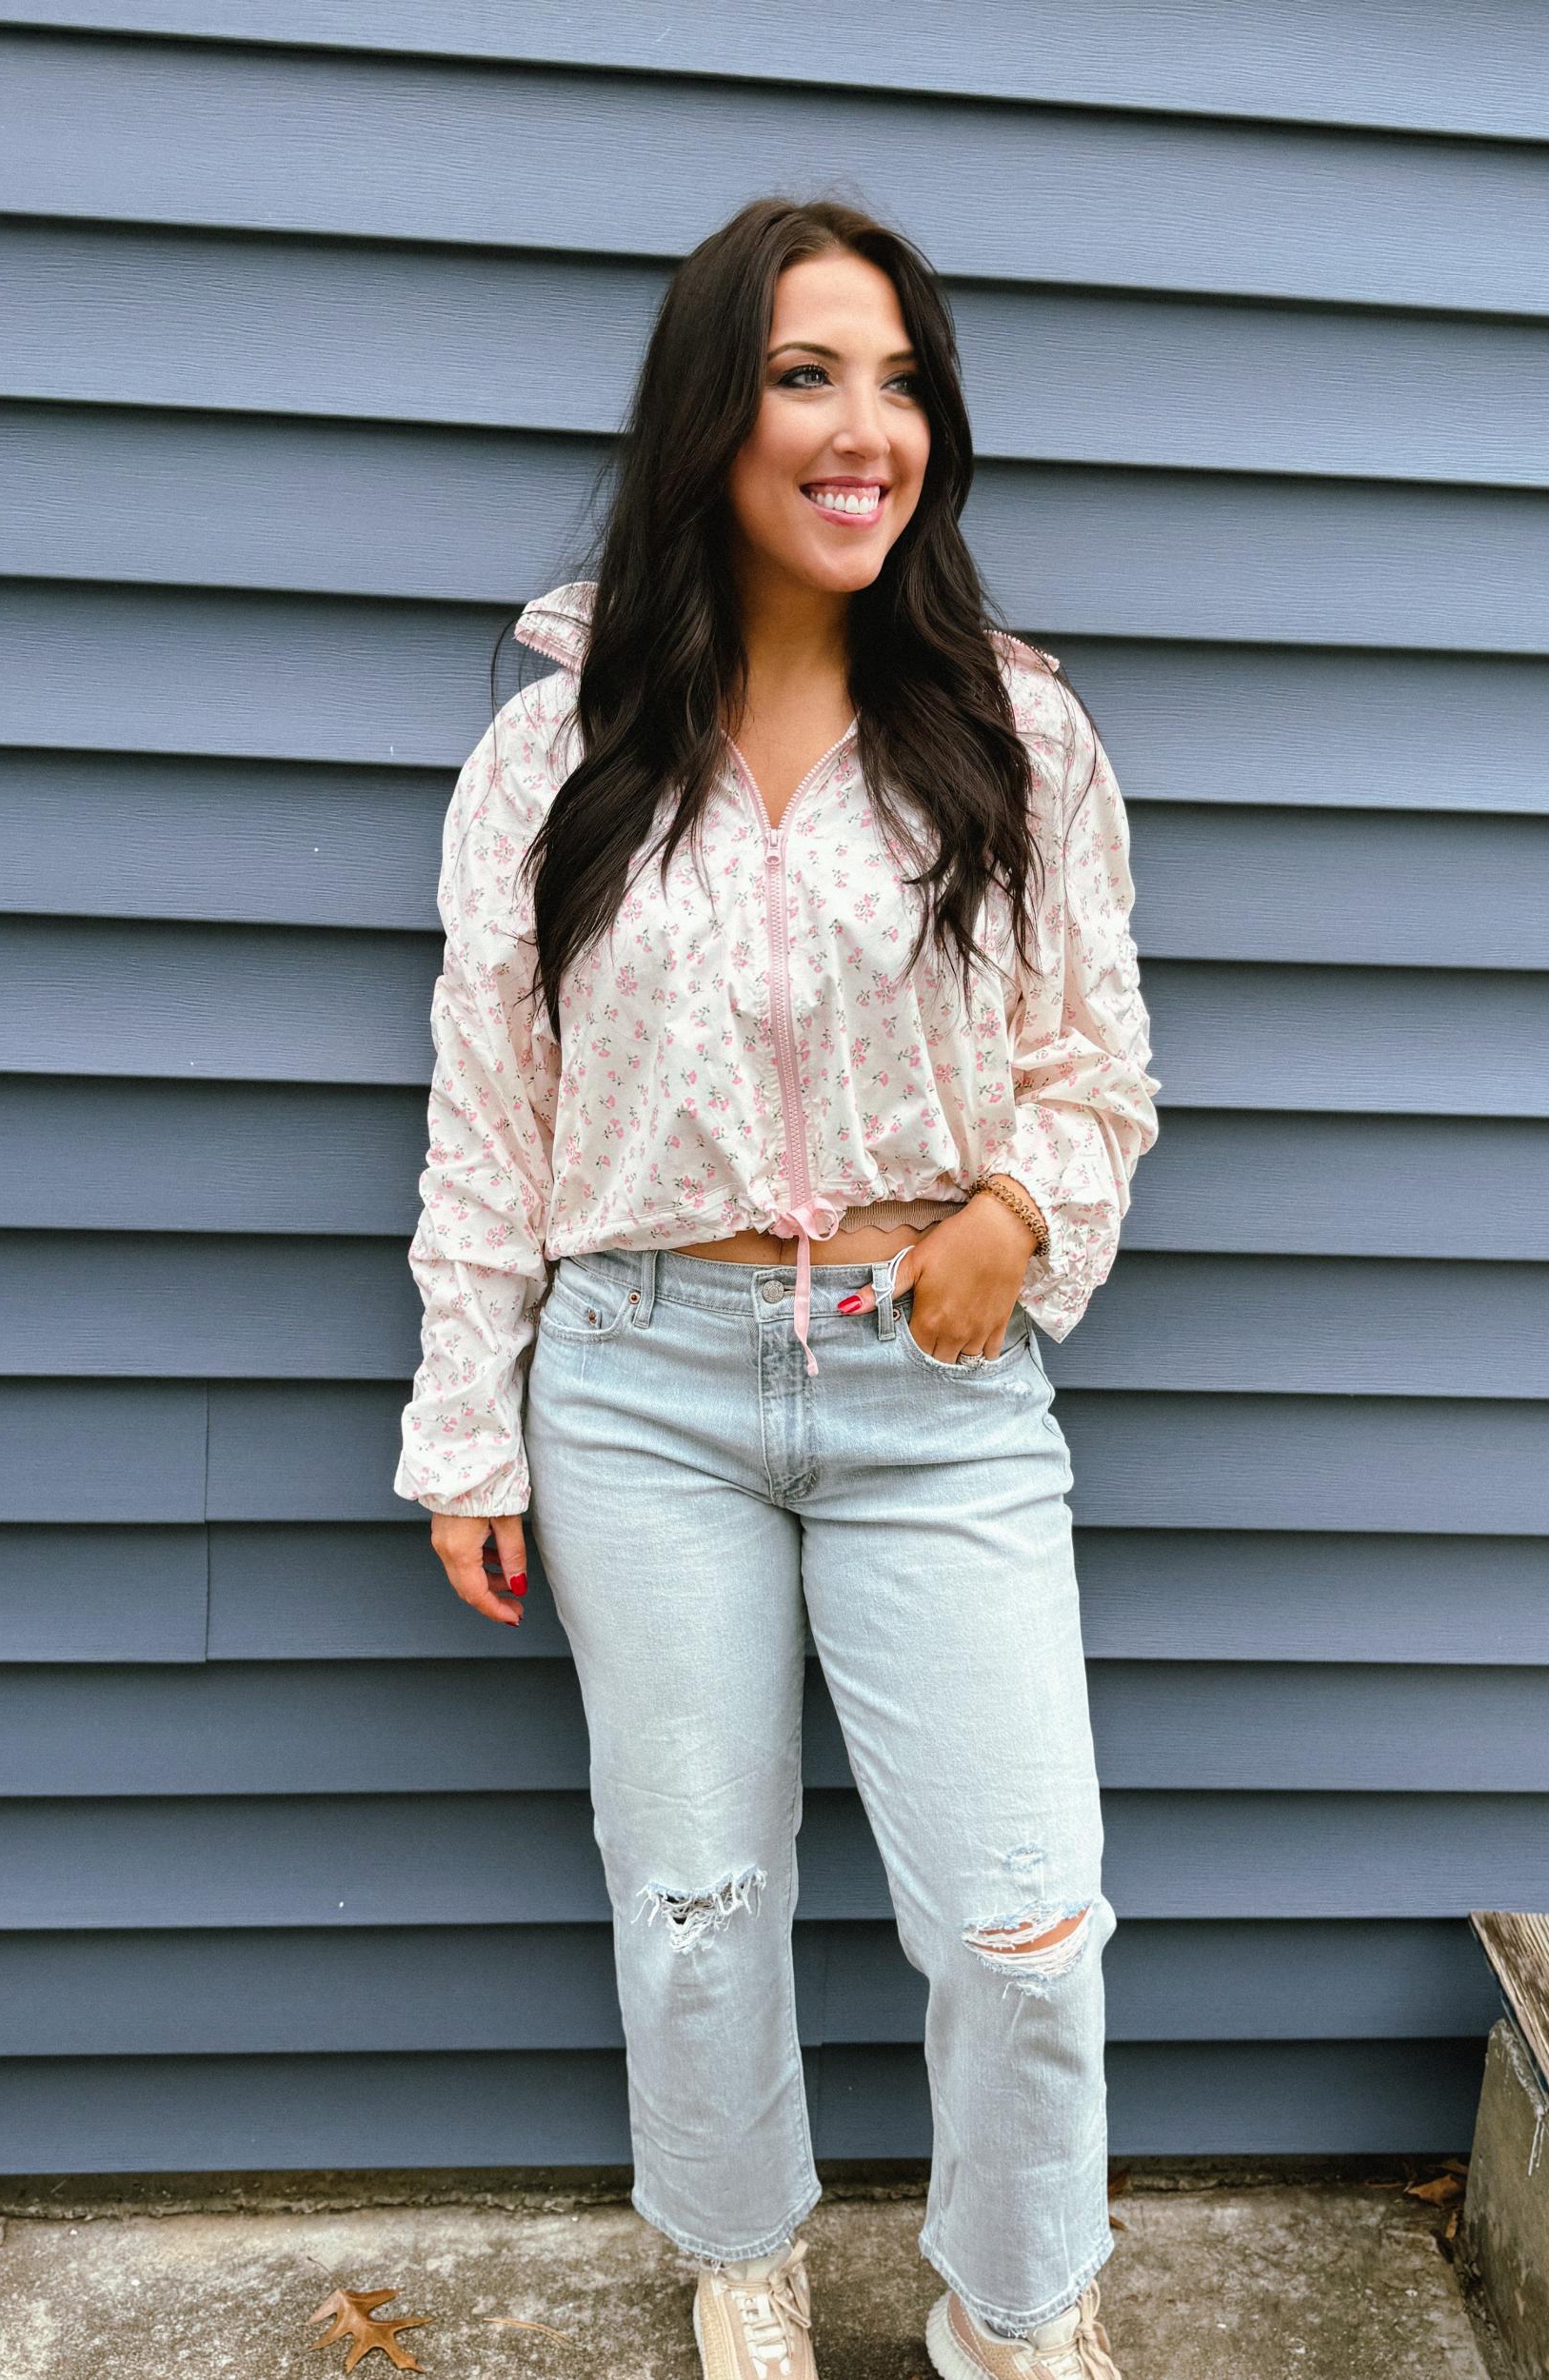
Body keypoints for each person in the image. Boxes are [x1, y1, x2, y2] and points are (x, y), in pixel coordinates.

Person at [396, 193, 1159, 2380]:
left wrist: (1011, 1218)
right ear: (706, 416)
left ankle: (1015, 2306)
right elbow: (491, 1104)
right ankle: (738, 2249)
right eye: (805, 374)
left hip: (935, 1388)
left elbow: (1094, 1059)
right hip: (639, 1384)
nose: (862, 428)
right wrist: (467, 1421)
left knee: (1020, 1924)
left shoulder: (1016, 731)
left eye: (898, 381)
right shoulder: (553, 750)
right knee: (696, 1902)